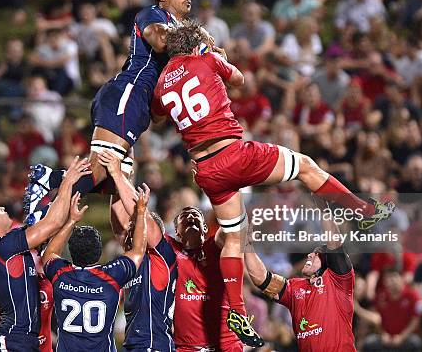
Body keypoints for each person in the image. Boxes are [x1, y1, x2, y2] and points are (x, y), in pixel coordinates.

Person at [151, 20, 394, 346]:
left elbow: (156, 116)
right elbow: (239, 80)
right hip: (235, 153)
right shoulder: (205, 58)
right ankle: (362, 209)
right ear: (196, 46)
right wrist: (217, 54)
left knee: (233, 239)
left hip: (207, 170)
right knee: (307, 166)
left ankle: (237, 308)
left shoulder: (161, 83)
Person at [23, 0, 193, 220]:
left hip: (137, 105)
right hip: (129, 93)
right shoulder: (154, 14)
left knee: (114, 184)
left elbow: (160, 111)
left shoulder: (181, 34)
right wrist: (200, 42)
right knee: (100, 169)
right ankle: (47, 185)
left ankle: (132, 252)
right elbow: (159, 40)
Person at [98, 150, 245, 351]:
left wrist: (117, 174)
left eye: (196, 215)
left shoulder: (170, 253)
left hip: (181, 344)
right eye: (185, 217)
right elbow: (121, 223)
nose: (191, 217)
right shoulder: (148, 253)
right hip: (162, 344)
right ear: (176, 231)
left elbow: (232, 227)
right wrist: (116, 183)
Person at [0, 156, 89, 351]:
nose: (4, 208)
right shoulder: (3, 246)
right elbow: (51, 224)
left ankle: (44, 185)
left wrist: (69, 219)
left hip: (23, 339)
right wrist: (68, 181)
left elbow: (46, 234)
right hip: (13, 339)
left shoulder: (3, 247)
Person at [41, 186, 149, 351]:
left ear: (71, 251)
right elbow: (139, 250)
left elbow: (50, 252)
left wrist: (72, 221)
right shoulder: (112, 276)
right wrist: (141, 212)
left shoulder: (60, 274)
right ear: (99, 252)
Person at [99, 151, 177, 351]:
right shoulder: (134, 256)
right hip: (134, 343)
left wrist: (117, 174)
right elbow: (118, 220)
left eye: (134, 227)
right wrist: (121, 174)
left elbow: (139, 215)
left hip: (155, 345)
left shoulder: (162, 254)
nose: (128, 231)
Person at [244, 217, 357, 351]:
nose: (310, 255)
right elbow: (261, 279)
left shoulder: (338, 282)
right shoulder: (294, 287)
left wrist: (323, 208)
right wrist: (247, 246)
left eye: (316, 254)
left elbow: (335, 244)